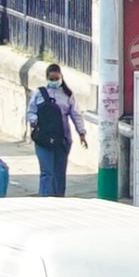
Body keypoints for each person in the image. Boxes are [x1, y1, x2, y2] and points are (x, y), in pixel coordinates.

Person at [27, 62, 86, 196]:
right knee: (47, 172)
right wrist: (36, 122)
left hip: (62, 138)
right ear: (47, 78)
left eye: (56, 79)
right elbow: (31, 112)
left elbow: (76, 115)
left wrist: (81, 133)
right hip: (43, 137)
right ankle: (45, 197)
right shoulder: (39, 93)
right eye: (51, 79)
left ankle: (59, 197)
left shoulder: (68, 95)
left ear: (61, 77)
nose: (54, 81)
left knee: (59, 172)